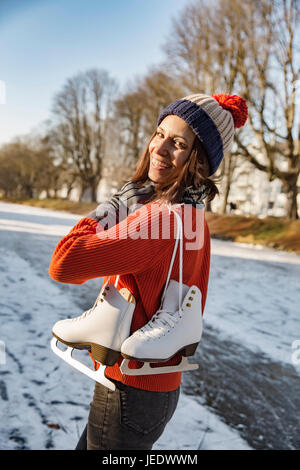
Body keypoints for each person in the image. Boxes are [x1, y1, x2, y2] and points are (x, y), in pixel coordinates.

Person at [48, 92, 248, 450]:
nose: (159, 148)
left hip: (128, 389)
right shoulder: (193, 217)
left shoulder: (158, 217)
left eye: (178, 143)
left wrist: (111, 208)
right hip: (158, 387)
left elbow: (64, 262)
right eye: (159, 134)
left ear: (197, 158)